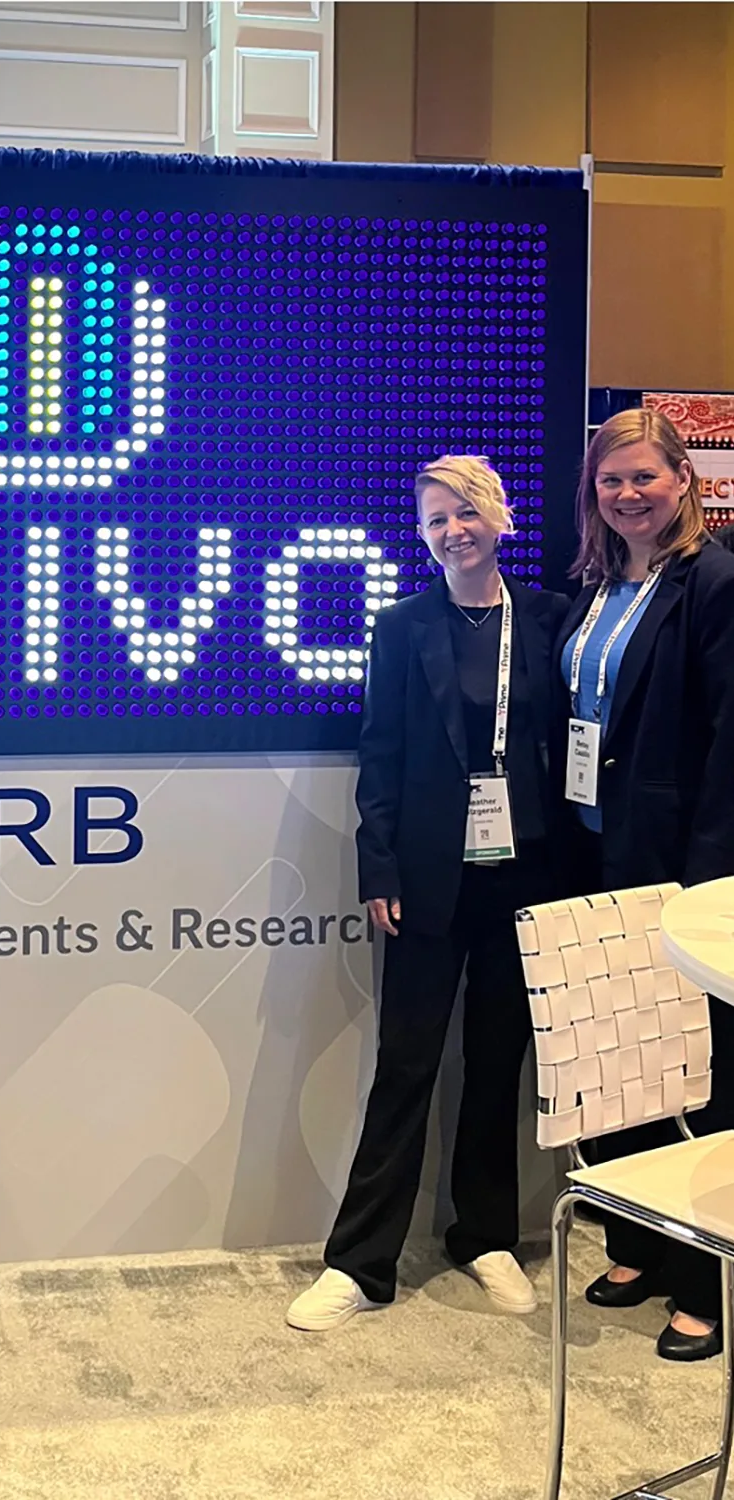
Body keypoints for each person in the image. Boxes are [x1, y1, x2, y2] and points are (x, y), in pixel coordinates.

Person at [287, 455, 569, 1332]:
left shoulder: (555, 619)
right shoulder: (400, 626)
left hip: (524, 880)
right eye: (435, 519)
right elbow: (382, 756)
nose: (451, 530)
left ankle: (481, 1237)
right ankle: (358, 1264)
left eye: (465, 513)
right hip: (423, 883)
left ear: (498, 519)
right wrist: (379, 868)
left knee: (495, 1066)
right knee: (405, 1067)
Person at [557, 407, 734, 1362]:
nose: (625, 495)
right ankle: (638, 1244)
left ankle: (704, 1275)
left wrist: (707, 879)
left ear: (682, 478)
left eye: (642, 478)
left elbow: (727, 741)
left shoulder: (713, 579)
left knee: (702, 1072)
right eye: (608, 481)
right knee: (622, 1053)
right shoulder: (595, 583)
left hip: (679, 866)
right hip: (595, 852)